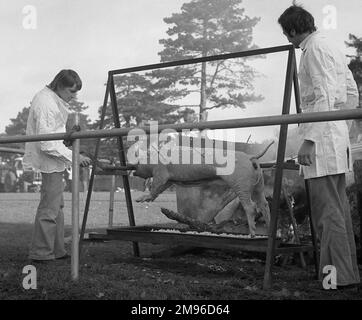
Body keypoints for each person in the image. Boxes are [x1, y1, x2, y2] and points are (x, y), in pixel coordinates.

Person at [278, 5, 360, 289]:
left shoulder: (312, 50)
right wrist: (342, 129)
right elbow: (351, 93)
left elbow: (323, 96)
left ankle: (334, 280)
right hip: (335, 137)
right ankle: (347, 276)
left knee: (327, 215)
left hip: (322, 142)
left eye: (287, 35)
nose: (289, 41)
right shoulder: (332, 46)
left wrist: (310, 141)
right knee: (338, 213)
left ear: (292, 30)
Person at [23, 69, 91, 261]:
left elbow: (53, 135)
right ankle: (41, 252)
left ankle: (57, 250)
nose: (73, 96)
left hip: (55, 161)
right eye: (71, 91)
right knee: (49, 209)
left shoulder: (52, 99)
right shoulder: (46, 103)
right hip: (49, 161)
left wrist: (68, 138)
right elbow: (46, 143)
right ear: (60, 86)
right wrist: (75, 156)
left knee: (57, 207)